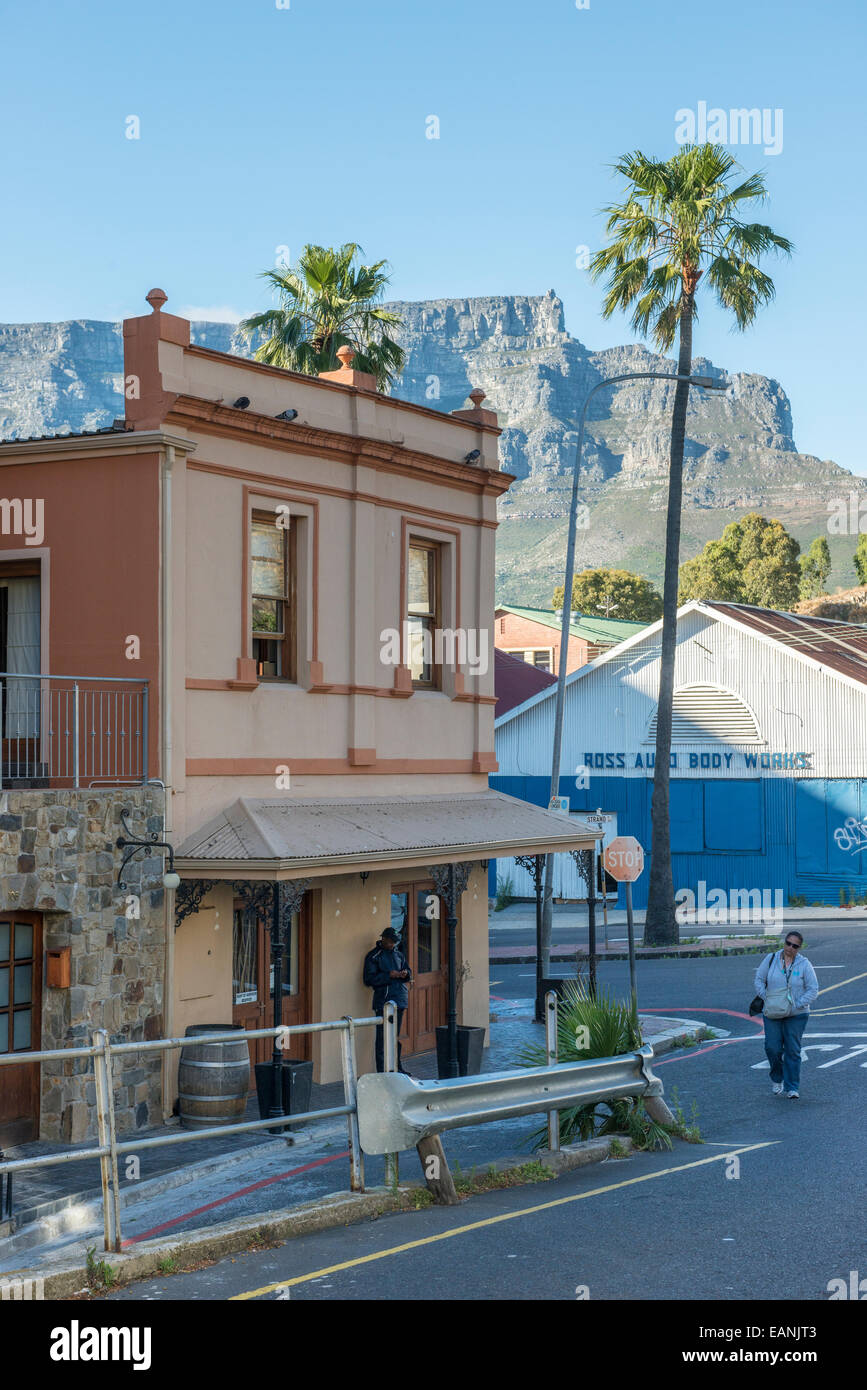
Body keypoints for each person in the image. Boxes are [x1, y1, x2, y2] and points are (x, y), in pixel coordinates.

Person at [753, 930, 818, 1098]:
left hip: (796, 1014)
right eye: (788, 943)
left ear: (799, 948)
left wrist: (796, 1005)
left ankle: (792, 1087)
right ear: (784, 942)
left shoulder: (804, 964)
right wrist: (766, 997)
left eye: (794, 946)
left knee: (793, 1050)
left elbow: (813, 989)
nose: (790, 947)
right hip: (773, 1011)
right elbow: (759, 979)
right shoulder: (771, 959)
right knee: (772, 1048)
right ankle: (777, 1077)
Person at [363, 926, 412, 1073]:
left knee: (394, 1037)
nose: (392, 945)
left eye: (394, 942)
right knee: (382, 1038)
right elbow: (368, 979)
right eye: (390, 941)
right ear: (383, 939)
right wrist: (389, 975)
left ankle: (397, 1068)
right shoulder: (373, 956)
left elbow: (408, 971)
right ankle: (381, 1071)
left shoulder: (399, 955)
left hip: (400, 999)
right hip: (383, 1001)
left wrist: (405, 974)